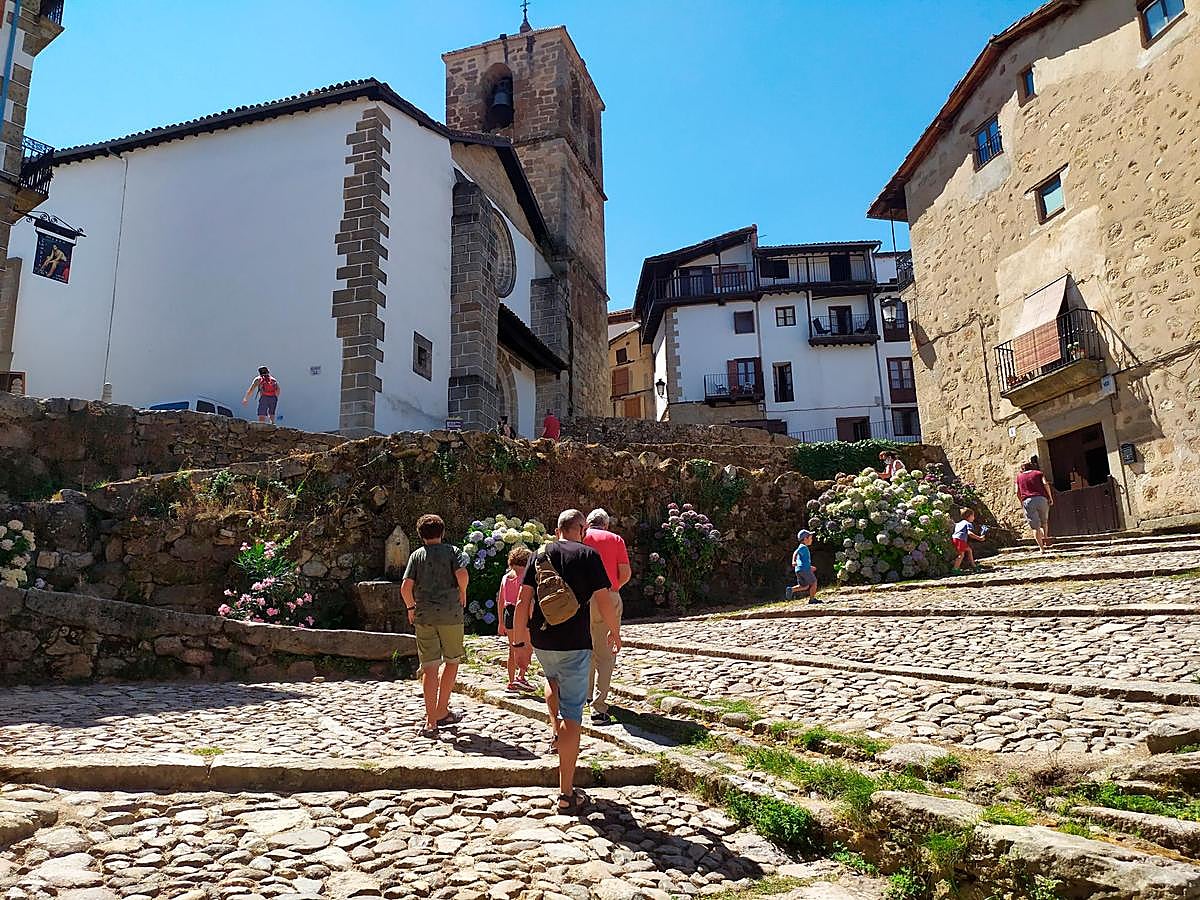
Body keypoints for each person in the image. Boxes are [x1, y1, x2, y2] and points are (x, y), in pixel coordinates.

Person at [512, 509, 619, 814]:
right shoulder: (588, 556)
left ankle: (554, 730)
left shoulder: (538, 555)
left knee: (551, 679)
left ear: (556, 529)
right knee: (573, 712)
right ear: (581, 528)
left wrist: (520, 643)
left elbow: (522, 602)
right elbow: (603, 600)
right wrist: (615, 632)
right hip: (574, 641)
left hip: (543, 640)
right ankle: (566, 793)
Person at [401, 514, 469, 738]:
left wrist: (411, 608)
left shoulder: (416, 556)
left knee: (429, 668)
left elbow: (405, 587)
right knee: (452, 661)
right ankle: (442, 709)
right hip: (450, 613)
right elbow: (461, 574)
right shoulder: (453, 552)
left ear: (420, 535)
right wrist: (462, 591)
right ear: (442, 532)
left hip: (424, 615)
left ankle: (431, 721)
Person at [583, 508, 631, 725]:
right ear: (606, 524)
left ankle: (586, 695)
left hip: (581, 599)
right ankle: (599, 709)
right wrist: (615, 587)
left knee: (587, 649)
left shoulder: (581, 537)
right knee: (605, 652)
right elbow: (625, 572)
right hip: (607, 596)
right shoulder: (615, 539)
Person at [497, 545, 535, 693]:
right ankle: (521, 677)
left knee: (512, 649)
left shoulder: (506, 577)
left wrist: (500, 622)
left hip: (508, 613)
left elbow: (500, 600)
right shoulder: (526, 578)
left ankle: (511, 680)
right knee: (527, 647)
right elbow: (528, 601)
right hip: (523, 614)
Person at [1015, 461, 1054, 552]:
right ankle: (1045, 537)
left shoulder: (1019, 477)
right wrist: (1050, 497)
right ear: (1031, 467)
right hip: (1041, 499)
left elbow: (1016, 491)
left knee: (1035, 526)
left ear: (1022, 468)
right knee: (1044, 521)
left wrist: (1021, 501)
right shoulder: (1038, 473)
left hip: (1028, 501)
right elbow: (1045, 484)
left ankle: (1041, 548)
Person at [789, 529, 818, 603]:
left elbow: (803, 561)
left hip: (799, 569)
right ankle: (812, 599)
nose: (811, 540)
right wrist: (793, 560)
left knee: (804, 586)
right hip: (804, 569)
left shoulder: (802, 547)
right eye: (810, 538)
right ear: (805, 539)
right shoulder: (803, 547)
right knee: (814, 583)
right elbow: (795, 552)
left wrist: (809, 567)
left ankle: (791, 589)